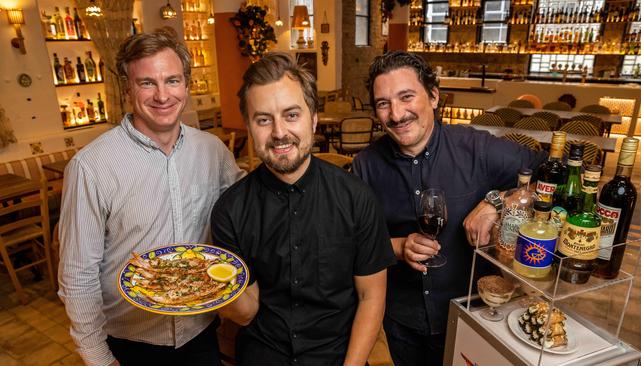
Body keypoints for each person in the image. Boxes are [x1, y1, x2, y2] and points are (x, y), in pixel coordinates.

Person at [58, 30, 244, 366]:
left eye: (172, 80)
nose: (162, 95)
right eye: (147, 83)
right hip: (131, 345)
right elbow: (77, 274)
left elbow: (245, 212)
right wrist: (99, 358)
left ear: (186, 84)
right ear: (127, 89)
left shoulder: (213, 151)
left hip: (202, 333)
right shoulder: (90, 167)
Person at [352, 51, 548, 366]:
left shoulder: (477, 148)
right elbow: (352, 245)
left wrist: (497, 202)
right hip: (402, 320)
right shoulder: (366, 166)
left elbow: (552, 172)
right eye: (383, 103)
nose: (397, 114)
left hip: (476, 315)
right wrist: (398, 247)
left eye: (406, 97)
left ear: (433, 96)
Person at [210, 52, 395, 366]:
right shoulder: (229, 210)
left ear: (313, 118)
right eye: (264, 119)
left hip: (338, 356)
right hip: (262, 355)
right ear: (249, 127)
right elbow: (247, 310)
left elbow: (371, 297)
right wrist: (214, 292)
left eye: (291, 115)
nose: (280, 132)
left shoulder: (357, 198)